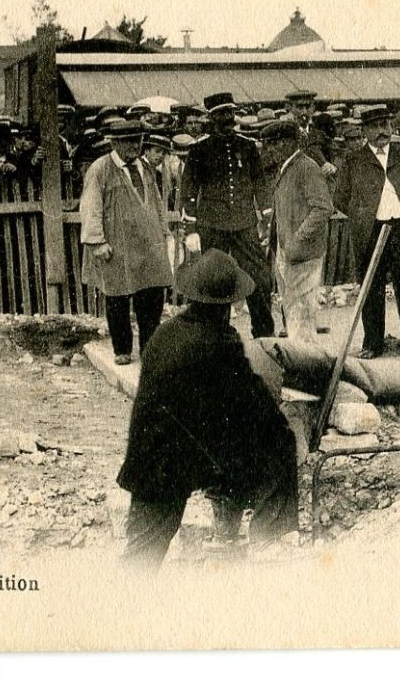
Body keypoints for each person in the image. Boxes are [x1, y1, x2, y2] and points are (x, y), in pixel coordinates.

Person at [117, 250, 299, 570]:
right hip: (176, 464)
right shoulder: (220, 340)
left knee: (143, 549)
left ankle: (225, 536)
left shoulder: (165, 332)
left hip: (147, 459)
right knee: (280, 443)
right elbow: (253, 404)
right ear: (227, 305)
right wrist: (281, 424)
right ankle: (271, 543)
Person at [334, 105, 400, 357]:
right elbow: (341, 198)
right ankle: (372, 344)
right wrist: (363, 214)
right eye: (376, 127)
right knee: (371, 288)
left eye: (386, 125)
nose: (382, 131)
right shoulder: (354, 160)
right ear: (364, 130)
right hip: (370, 230)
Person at [80, 118, 174, 365]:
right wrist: (96, 241)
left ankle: (149, 348)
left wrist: (164, 233)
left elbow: (156, 203)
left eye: (138, 140)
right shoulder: (100, 169)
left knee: (152, 295)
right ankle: (122, 349)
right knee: (118, 296)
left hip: (148, 242)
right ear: (114, 142)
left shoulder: (146, 168)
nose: (134, 146)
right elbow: (90, 206)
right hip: (117, 243)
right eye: (128, 141)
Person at [183, 92, 277, 338]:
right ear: (211, 117)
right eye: (222, 114)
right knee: (216, 282)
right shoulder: (199, 149)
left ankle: (264, 333)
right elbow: (189, 190)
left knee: (259, 277)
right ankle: (217, 334)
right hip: (212, 225)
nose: (228, 118)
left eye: (230, 113)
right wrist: (191, 228)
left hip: (245, 223)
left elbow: (260, 183)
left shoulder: (247, 146)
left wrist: (267, 215)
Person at [261, 120, 333, 339]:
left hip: (303, 255)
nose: (269, 150)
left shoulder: (306, 167)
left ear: (288, 143)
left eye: (273, 144)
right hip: (288, 252)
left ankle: (305, 368)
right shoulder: (287, 168)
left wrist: (297, 238)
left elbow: (323, 207)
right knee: (293, 313)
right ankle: (301, 364)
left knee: (301, 317)